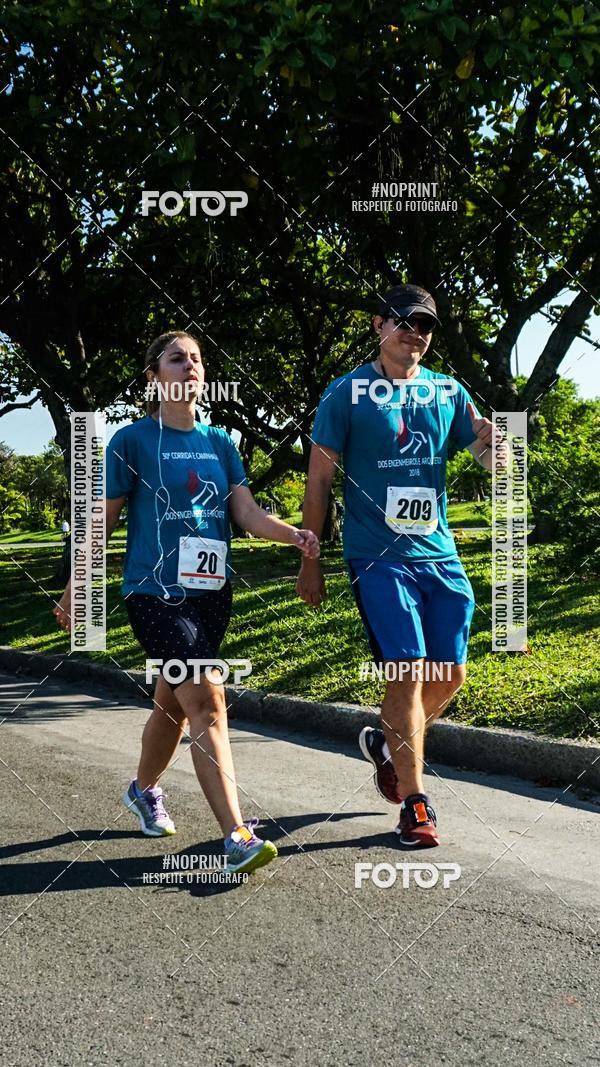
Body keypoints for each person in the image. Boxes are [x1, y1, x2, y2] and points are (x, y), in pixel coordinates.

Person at [54, 330, 319, 875]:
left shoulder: (220, 442)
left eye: (197, 359)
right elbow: (103, 520)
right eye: (177, 359)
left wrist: (293, 534)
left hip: (211, 595)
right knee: (206, 697)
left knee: (172, 705)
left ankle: (142, 789)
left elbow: (245, 514)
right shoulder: (131, 442)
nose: (190, 366)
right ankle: (237, 836)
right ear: (153, 377)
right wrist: (77, 586)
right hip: (154, 594)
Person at [296, 284, 507, 848]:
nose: (415, 332)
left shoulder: (447, 391)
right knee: (408, 672)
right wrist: (310, 559)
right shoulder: (345, 394)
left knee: (450, 675)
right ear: (378, 325)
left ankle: (388, 747)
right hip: (377, 557)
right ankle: (415, 804)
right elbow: (319, 481)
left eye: (425, 324)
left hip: (439, 553)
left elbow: (488, 457)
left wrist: (501, 447)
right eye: (404, 321)